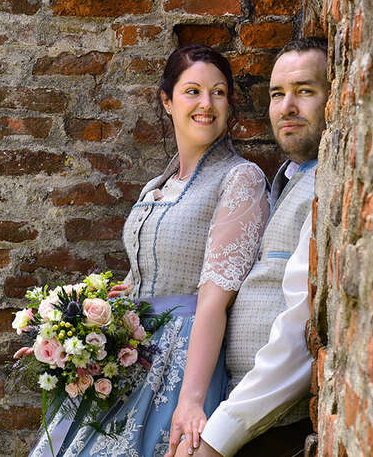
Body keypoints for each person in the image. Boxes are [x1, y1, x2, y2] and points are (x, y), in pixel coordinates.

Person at [25, 44, 270, 457]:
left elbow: (213, 302)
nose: (206, 104)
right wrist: (84, 324)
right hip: (132, 352)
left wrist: (190, 400)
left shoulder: (240, 179)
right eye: (192, 91)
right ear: (167, 101)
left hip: (182, 360)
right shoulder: (158, 185)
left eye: (219, 92)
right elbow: (141, 276)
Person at [170, 36, 329, 457]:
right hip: (234, 407)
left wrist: (216, 439)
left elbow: (300, 333)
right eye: (278, 94)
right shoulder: (289, 180)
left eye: (305, 91)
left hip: (267, 425)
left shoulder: (323, 186)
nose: (287, 107)